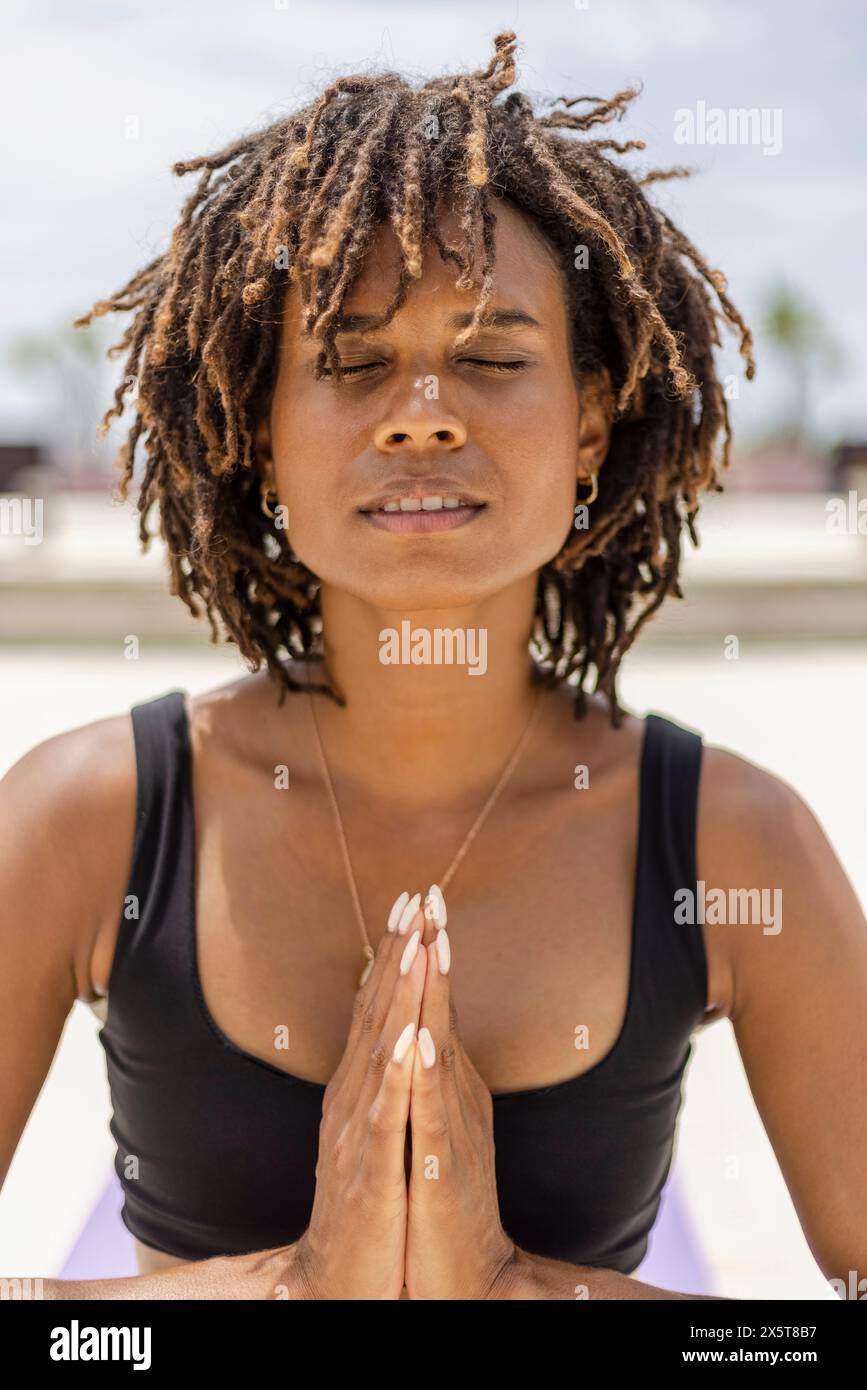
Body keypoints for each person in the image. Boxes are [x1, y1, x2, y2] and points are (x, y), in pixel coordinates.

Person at [2, 31, 865, 1300]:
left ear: (588, 425)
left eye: (496, 355)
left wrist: (523, 1289)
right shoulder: (93, 819)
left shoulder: (733, 845)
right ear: (259, 435)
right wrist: (281, 1290)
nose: (421, 409)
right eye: (349, 361)